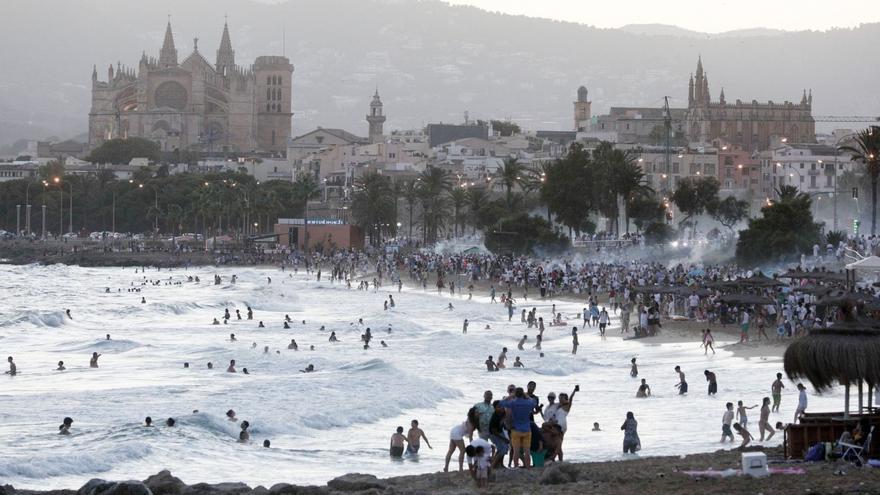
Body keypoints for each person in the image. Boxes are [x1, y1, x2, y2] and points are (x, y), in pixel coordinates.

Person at [499, 387, 537, 468]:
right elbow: (535, 402)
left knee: (516, 451)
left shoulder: (513, 403)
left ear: (515, 394)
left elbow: (501, 403)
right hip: (527, 429)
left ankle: (516, 467)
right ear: (523, 393)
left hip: (516, 429)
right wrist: (527, 396)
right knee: (527, 451)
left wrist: (510, 396)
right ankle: (528, 468)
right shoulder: (528, 402)